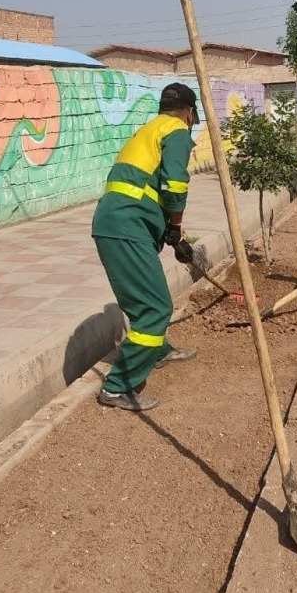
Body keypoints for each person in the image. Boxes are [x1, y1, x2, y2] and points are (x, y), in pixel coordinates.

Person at [91, 82, 200, 411]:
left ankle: (159, 350)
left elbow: (148, 186)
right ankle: (116, 387)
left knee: (147, 301)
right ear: (190, 113)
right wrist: (177, 226)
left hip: (121, 222)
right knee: (156, 308)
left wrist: (172, 235)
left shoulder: (149, 129)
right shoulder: (177, 130)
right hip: (127, 225)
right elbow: (175, 184)